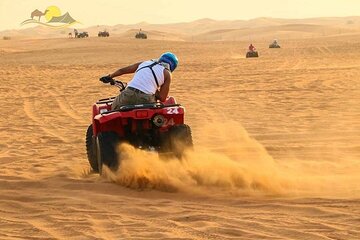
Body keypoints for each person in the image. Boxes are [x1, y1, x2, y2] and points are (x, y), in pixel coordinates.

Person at [100, 52, 178, 110]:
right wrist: (153, 88)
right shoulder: (167, 74)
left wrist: (110, 76)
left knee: (114, 109)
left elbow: (122, 70)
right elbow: (162, 98)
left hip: (128, 94)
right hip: (147, 100)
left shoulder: (144, 63)